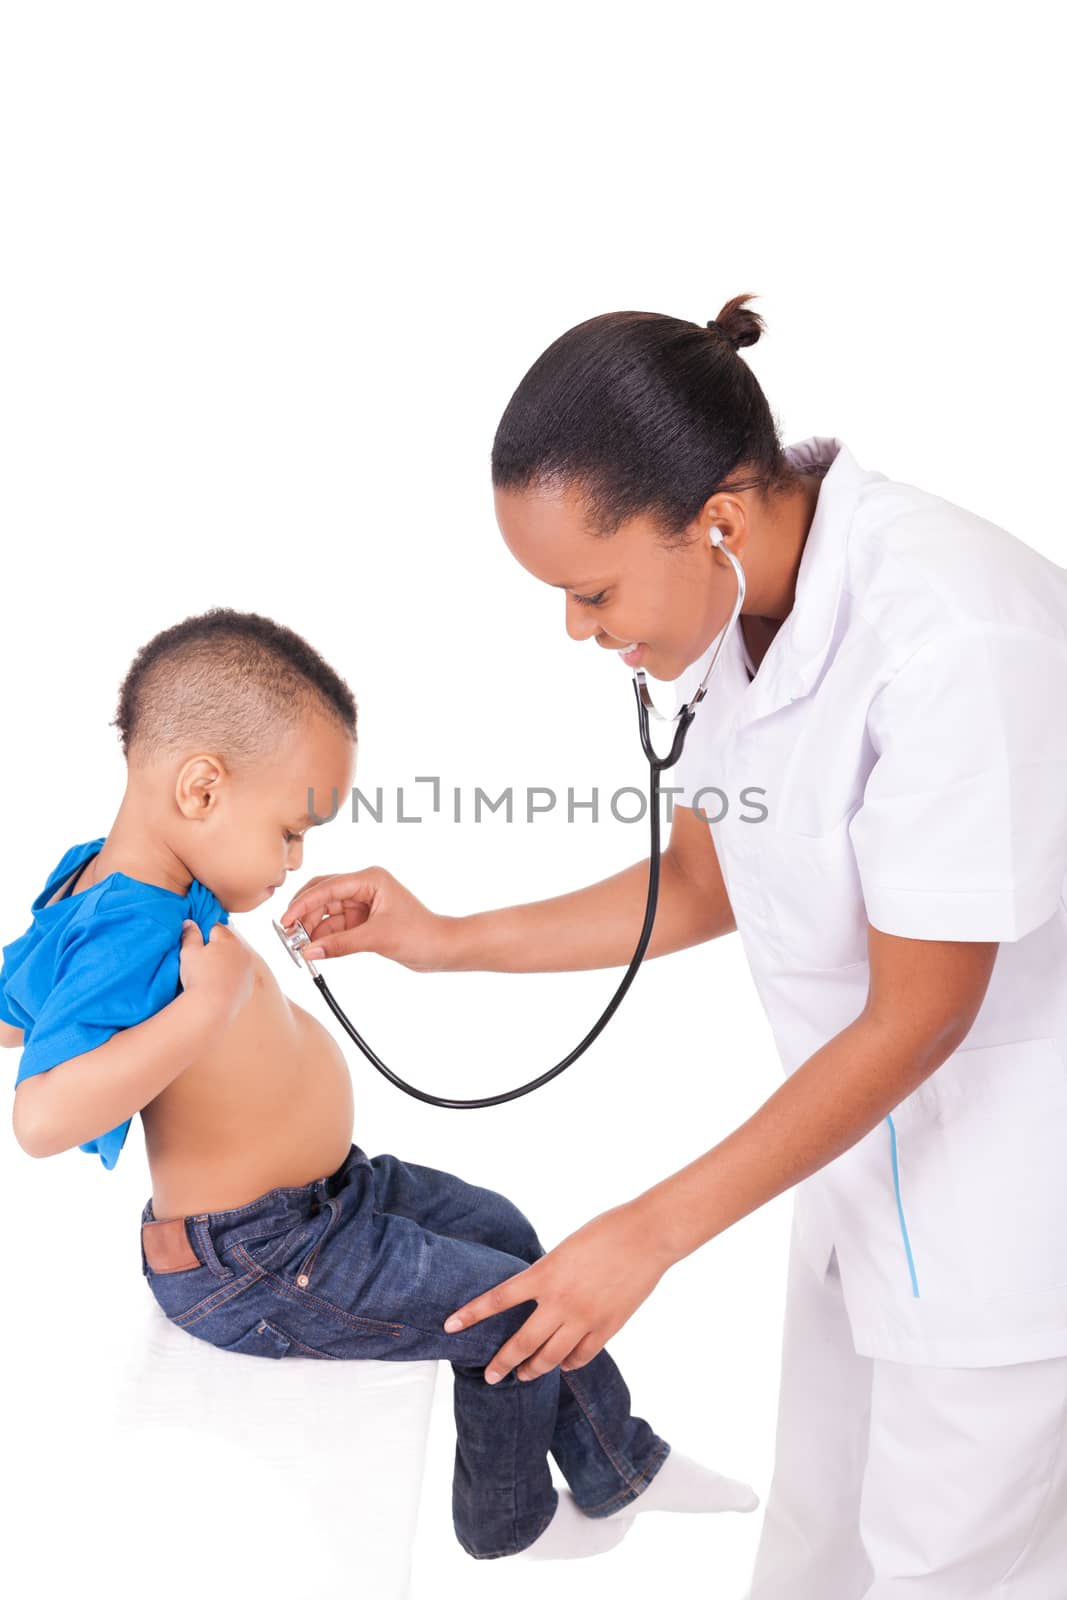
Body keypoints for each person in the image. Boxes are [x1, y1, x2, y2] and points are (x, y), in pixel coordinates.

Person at [279, 296, 1067, 1597]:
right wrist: (441, 938)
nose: (579, 632)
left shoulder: (946, 643)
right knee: (814, 1548)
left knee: (945, 1571)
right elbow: (701, 883)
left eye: (590, 592)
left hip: (1009, 1213)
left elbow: (920, 1011)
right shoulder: (743, 601)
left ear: (715, 517)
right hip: (864, 1177)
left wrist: (641, 1236)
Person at [0, 605, 757, 1563]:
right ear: (200, 789)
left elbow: (17, 999)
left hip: (329, 1202)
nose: (293, 862)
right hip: (256, 1261)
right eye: (288, 830)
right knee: (516, 1309)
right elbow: (40, 1116)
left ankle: (617, 1470)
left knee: (507, 1233)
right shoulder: (129, 926)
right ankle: (510, 1524)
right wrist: (203, 1013)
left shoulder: (107, 885)